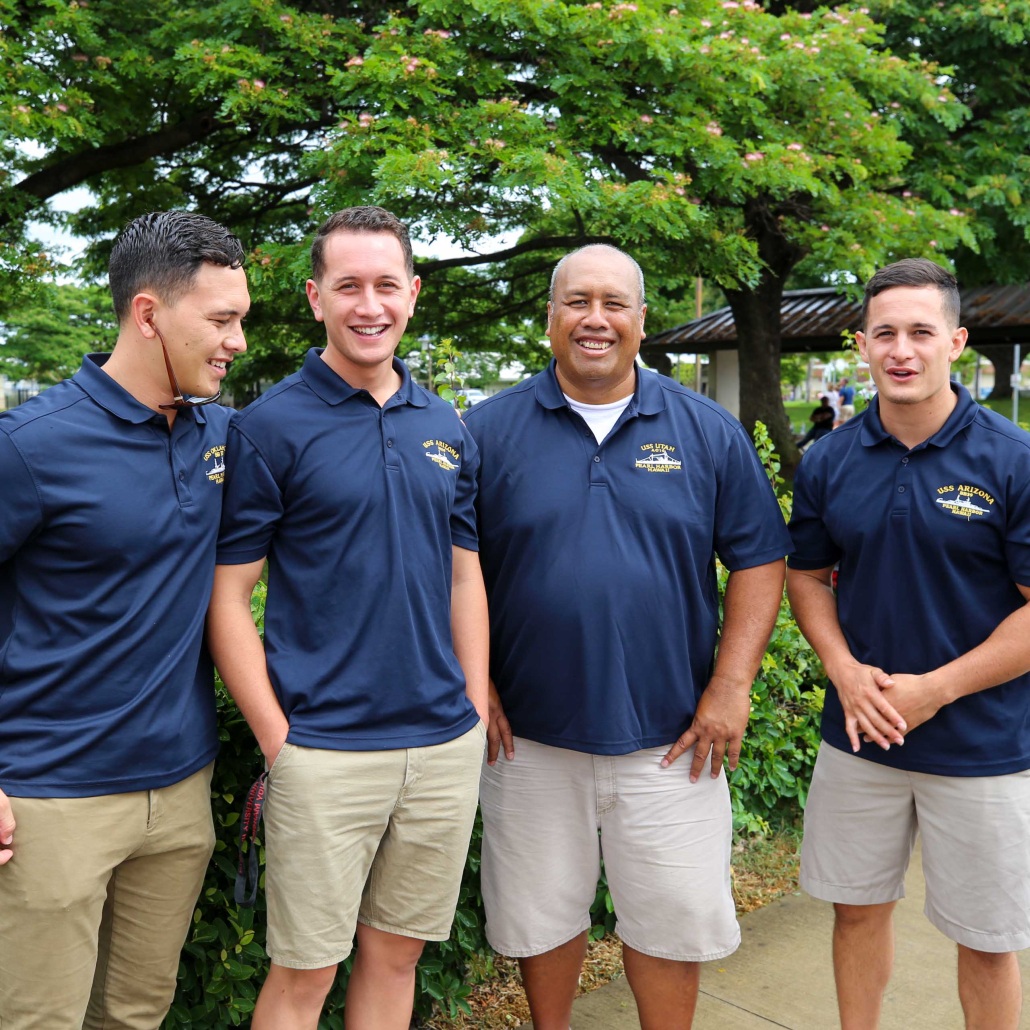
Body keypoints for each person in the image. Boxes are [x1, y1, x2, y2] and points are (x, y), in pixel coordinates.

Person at [463, 244, 790, 1030]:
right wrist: (482, 687)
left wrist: (731, 687)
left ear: (643, 321)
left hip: (674, 739)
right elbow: (453, 570)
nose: (595, 319)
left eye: (615, 303)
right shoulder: (486, 433)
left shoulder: (706, 431)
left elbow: (761, 558)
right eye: (577, 301)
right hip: (530, 741)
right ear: (550, 318)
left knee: (671, 921)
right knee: (540, 919)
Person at [208, 205, 488, 1030]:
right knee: (306, 973)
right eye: (349, 286)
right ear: (315, 297)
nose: (370, 306)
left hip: (441, 744)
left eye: (387, 286)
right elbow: (228, 598)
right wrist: (276, 740)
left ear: (414, 294)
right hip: (323, 751)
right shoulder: (269, 428)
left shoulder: (444, 425)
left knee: (395, 954)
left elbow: (464, 576)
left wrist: (472, 708)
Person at [0, 211, 250, 1028]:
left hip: (178, 793)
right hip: (49, 799)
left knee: (138, 1013)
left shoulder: (221, 436)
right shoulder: (31, 446)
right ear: (148, 315)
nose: (236, 342)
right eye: (220, 321)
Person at [787, 257, 1030, 1029]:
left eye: (921, 332)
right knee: (855, 914)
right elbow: (806, 578)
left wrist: (937, 689)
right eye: (885, 332)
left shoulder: (1013, 458)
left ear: (955, 341)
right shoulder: (828, 459)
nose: (902, 349)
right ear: (861, 344)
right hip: (860, 736)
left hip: (982, 743)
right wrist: (844, 672)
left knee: (986, 942)